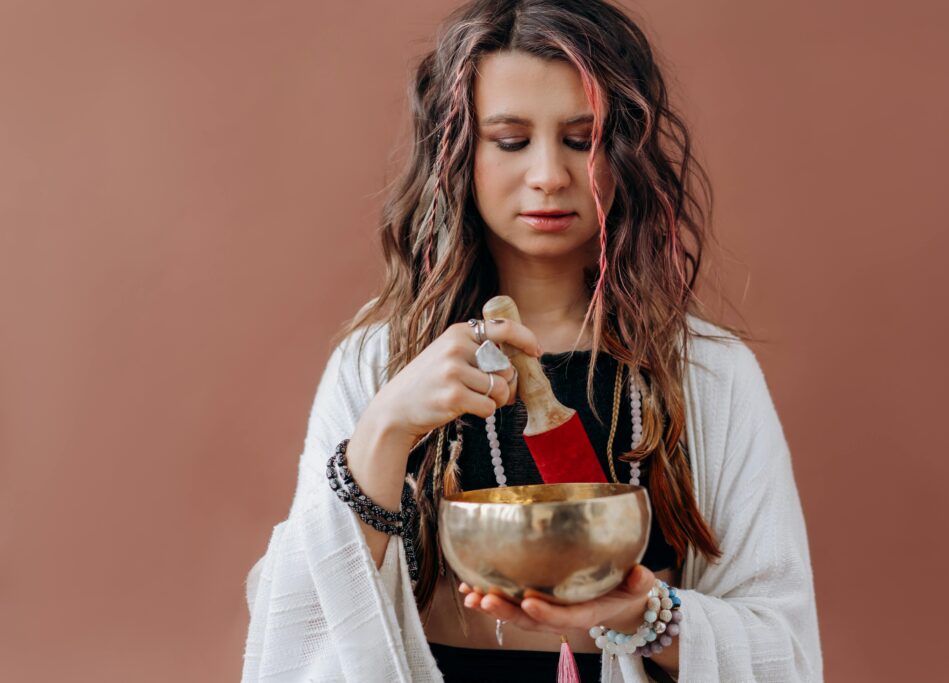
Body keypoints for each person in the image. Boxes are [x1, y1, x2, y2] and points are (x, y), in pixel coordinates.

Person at [242, 0, 823, 681]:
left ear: (623, 150)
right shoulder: (380, 364)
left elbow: (782, 646)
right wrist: (384, 429)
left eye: (582, 139)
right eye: (512, 141)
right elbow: (295, 626)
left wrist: (644, 615)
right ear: (459, 153)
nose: (549, 174)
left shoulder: (709, 374)